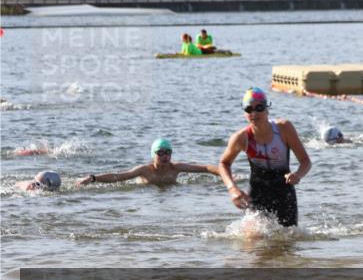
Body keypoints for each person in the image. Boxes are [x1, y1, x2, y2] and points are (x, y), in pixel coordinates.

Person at [219, 87, 311, 227]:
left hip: (284, 194)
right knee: (252, 237)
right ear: (244, 113)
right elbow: (224, 163)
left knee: (288, 238)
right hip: (257, 194)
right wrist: (232, 188)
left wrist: (298, 175)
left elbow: (305, 161)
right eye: (249, 109)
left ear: (267, 109)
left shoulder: (284, 129)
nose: (254, 113)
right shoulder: (241, 138)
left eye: (259, 108)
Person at [76, 138, 219, 188]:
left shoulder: (176, 168)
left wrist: (224, 173)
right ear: (153, 155)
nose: (165, 156)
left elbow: (206, 168)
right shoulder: (144, 170)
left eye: (168, 152)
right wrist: (93, 178)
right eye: (160, 152)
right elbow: (118, 177)